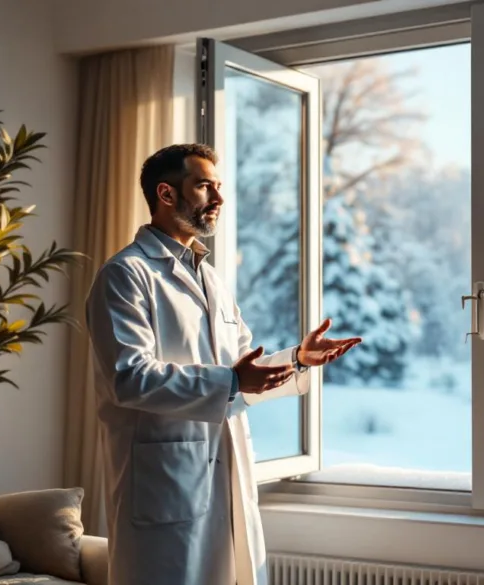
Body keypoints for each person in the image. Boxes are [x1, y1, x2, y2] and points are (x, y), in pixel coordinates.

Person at [85, 143, 361, 585]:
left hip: (224, 473)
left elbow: (241, 372)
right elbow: (129, 377)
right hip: (164, 485)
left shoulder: (211, 279)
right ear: (167, 194)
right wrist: (232, 380)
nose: (219, 198)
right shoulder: (125, 275)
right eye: (204, 186)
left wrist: (295, 359)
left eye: (219, 187)